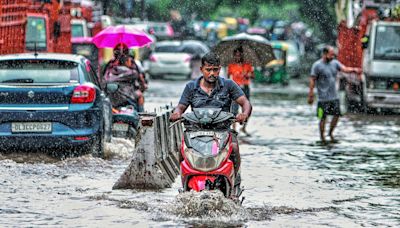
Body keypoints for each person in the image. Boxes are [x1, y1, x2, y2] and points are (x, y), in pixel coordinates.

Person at [169, 52, 252, 185]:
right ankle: (184, 181)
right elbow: (180, 107)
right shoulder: (191, 87)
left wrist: (244, 114)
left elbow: (245, 102)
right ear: (201, 69)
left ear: (220, 69)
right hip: (195, 132)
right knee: (181, 148)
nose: (212, 73)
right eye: (208, 70)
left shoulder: (229, 85)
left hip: (223, 131)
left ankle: (234, 181)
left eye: (215, 70)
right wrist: (176, 113)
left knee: (235, 148)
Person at [308, 45, 361, 143]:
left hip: (334, 97)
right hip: (322, 99)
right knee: (322, 118)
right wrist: (311, 94)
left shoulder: (335, 63)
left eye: (333, 55)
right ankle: (322, 137)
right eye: (331, 54)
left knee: (337, 115)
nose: (333, 56)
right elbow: (312, 79)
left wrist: (354, 70)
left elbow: (344, 69)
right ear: (325, 54)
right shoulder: (317, 65)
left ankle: (330, 133)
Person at [102, 44, 146, 112]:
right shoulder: (130, 69)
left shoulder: (110, 64)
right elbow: (138, 78)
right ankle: (141, 115)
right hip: (127, 95)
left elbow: (104, 80)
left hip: (113, 97)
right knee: (140, 96)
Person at [227, 47, 254, 134]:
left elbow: (253, 75)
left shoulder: (247, 65)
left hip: (245, 87)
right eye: (236, 55)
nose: (237, 57)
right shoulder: (231, 65)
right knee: (234, 108)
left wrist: (247, 75)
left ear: (242, 55)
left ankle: (244, 126)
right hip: (235, 88)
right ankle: (234, 128)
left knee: (247, 107)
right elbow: (228, 77)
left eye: (239, 55)